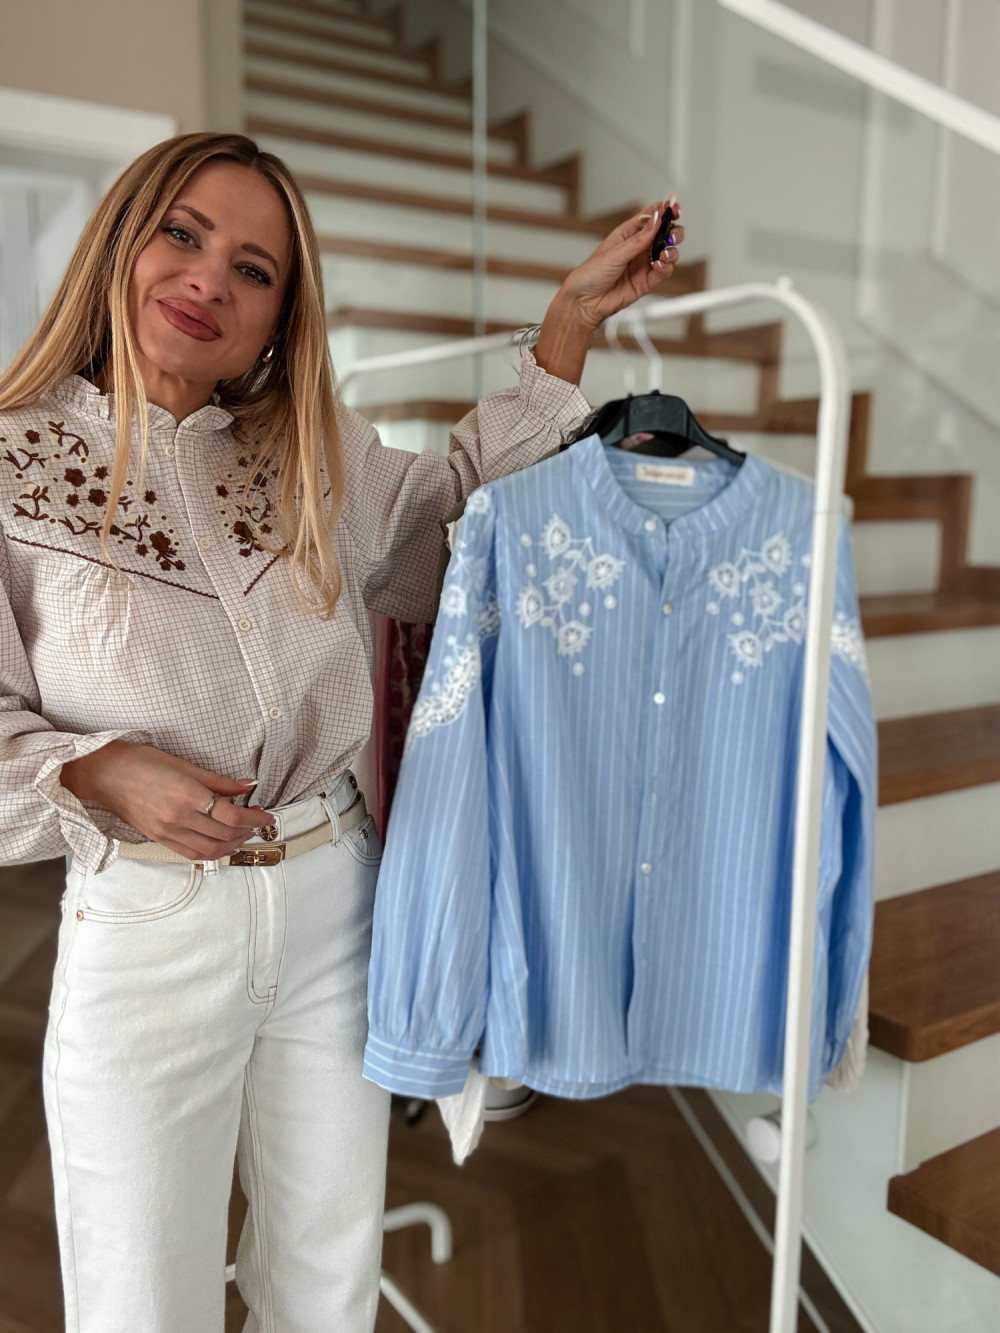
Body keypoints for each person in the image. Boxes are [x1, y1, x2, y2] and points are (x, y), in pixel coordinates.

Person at [0, 132, 683, 1332]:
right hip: (149, 921)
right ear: (120, 241)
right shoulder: (13, 461)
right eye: (182, 233)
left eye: (253, 269)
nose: (209, 278)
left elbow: (456, 513)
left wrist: (568, 324)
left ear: (278, 319)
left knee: (325, 1284)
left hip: (335, 905)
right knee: (137, 1301)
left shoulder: (308, 455)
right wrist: (100, 768)